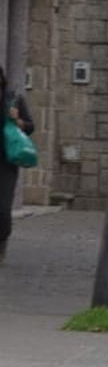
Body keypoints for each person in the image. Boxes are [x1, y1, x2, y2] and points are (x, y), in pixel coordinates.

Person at [0, 64, 35, 266]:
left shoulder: (13, 100)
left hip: (6, 162)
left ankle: (2, 241)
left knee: (3, 209)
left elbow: (30, 126)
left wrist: (18, 121)